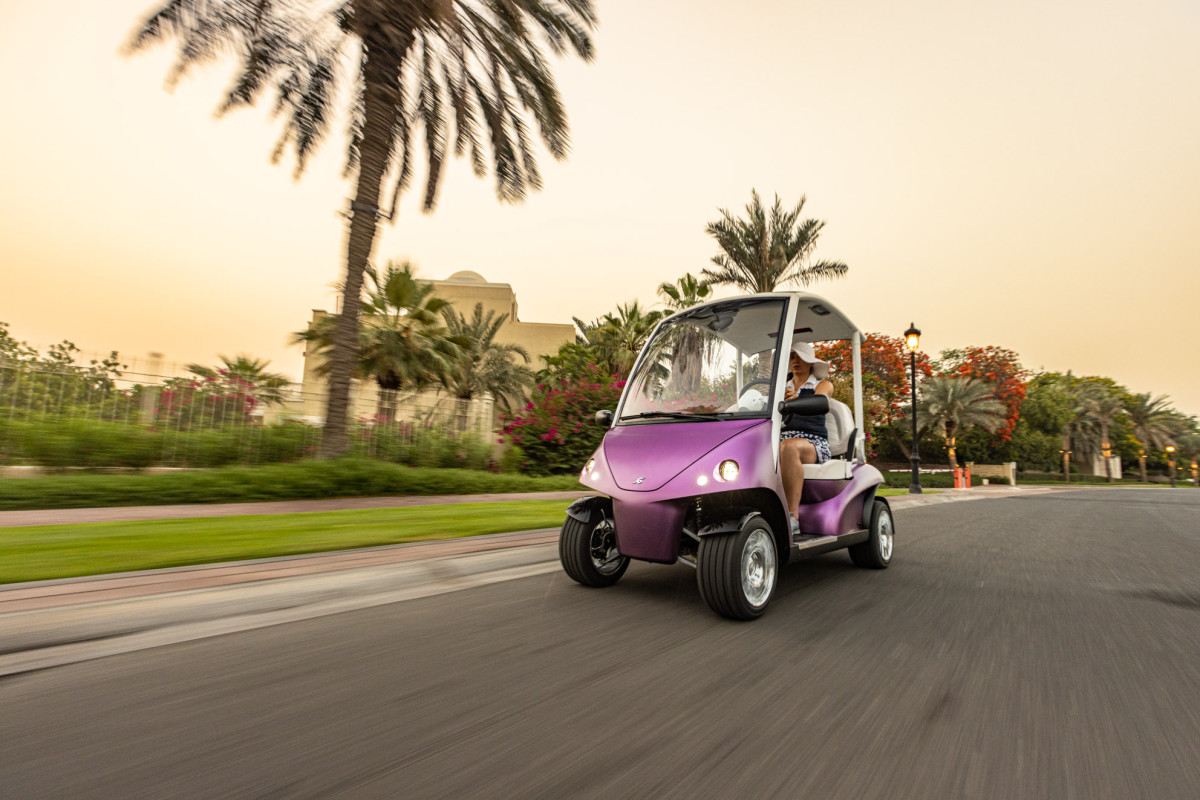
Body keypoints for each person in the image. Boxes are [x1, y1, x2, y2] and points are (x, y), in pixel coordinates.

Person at [780, 340, 833, 533]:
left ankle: (792, 517)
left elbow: (822, 400)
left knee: (788, 447)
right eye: (792, 356)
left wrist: (798, 399)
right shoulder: (781, 387)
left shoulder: (822, 385)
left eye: (801, 357)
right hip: (781, 438)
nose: (796, 361)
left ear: (811, 362)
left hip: (813, 442)